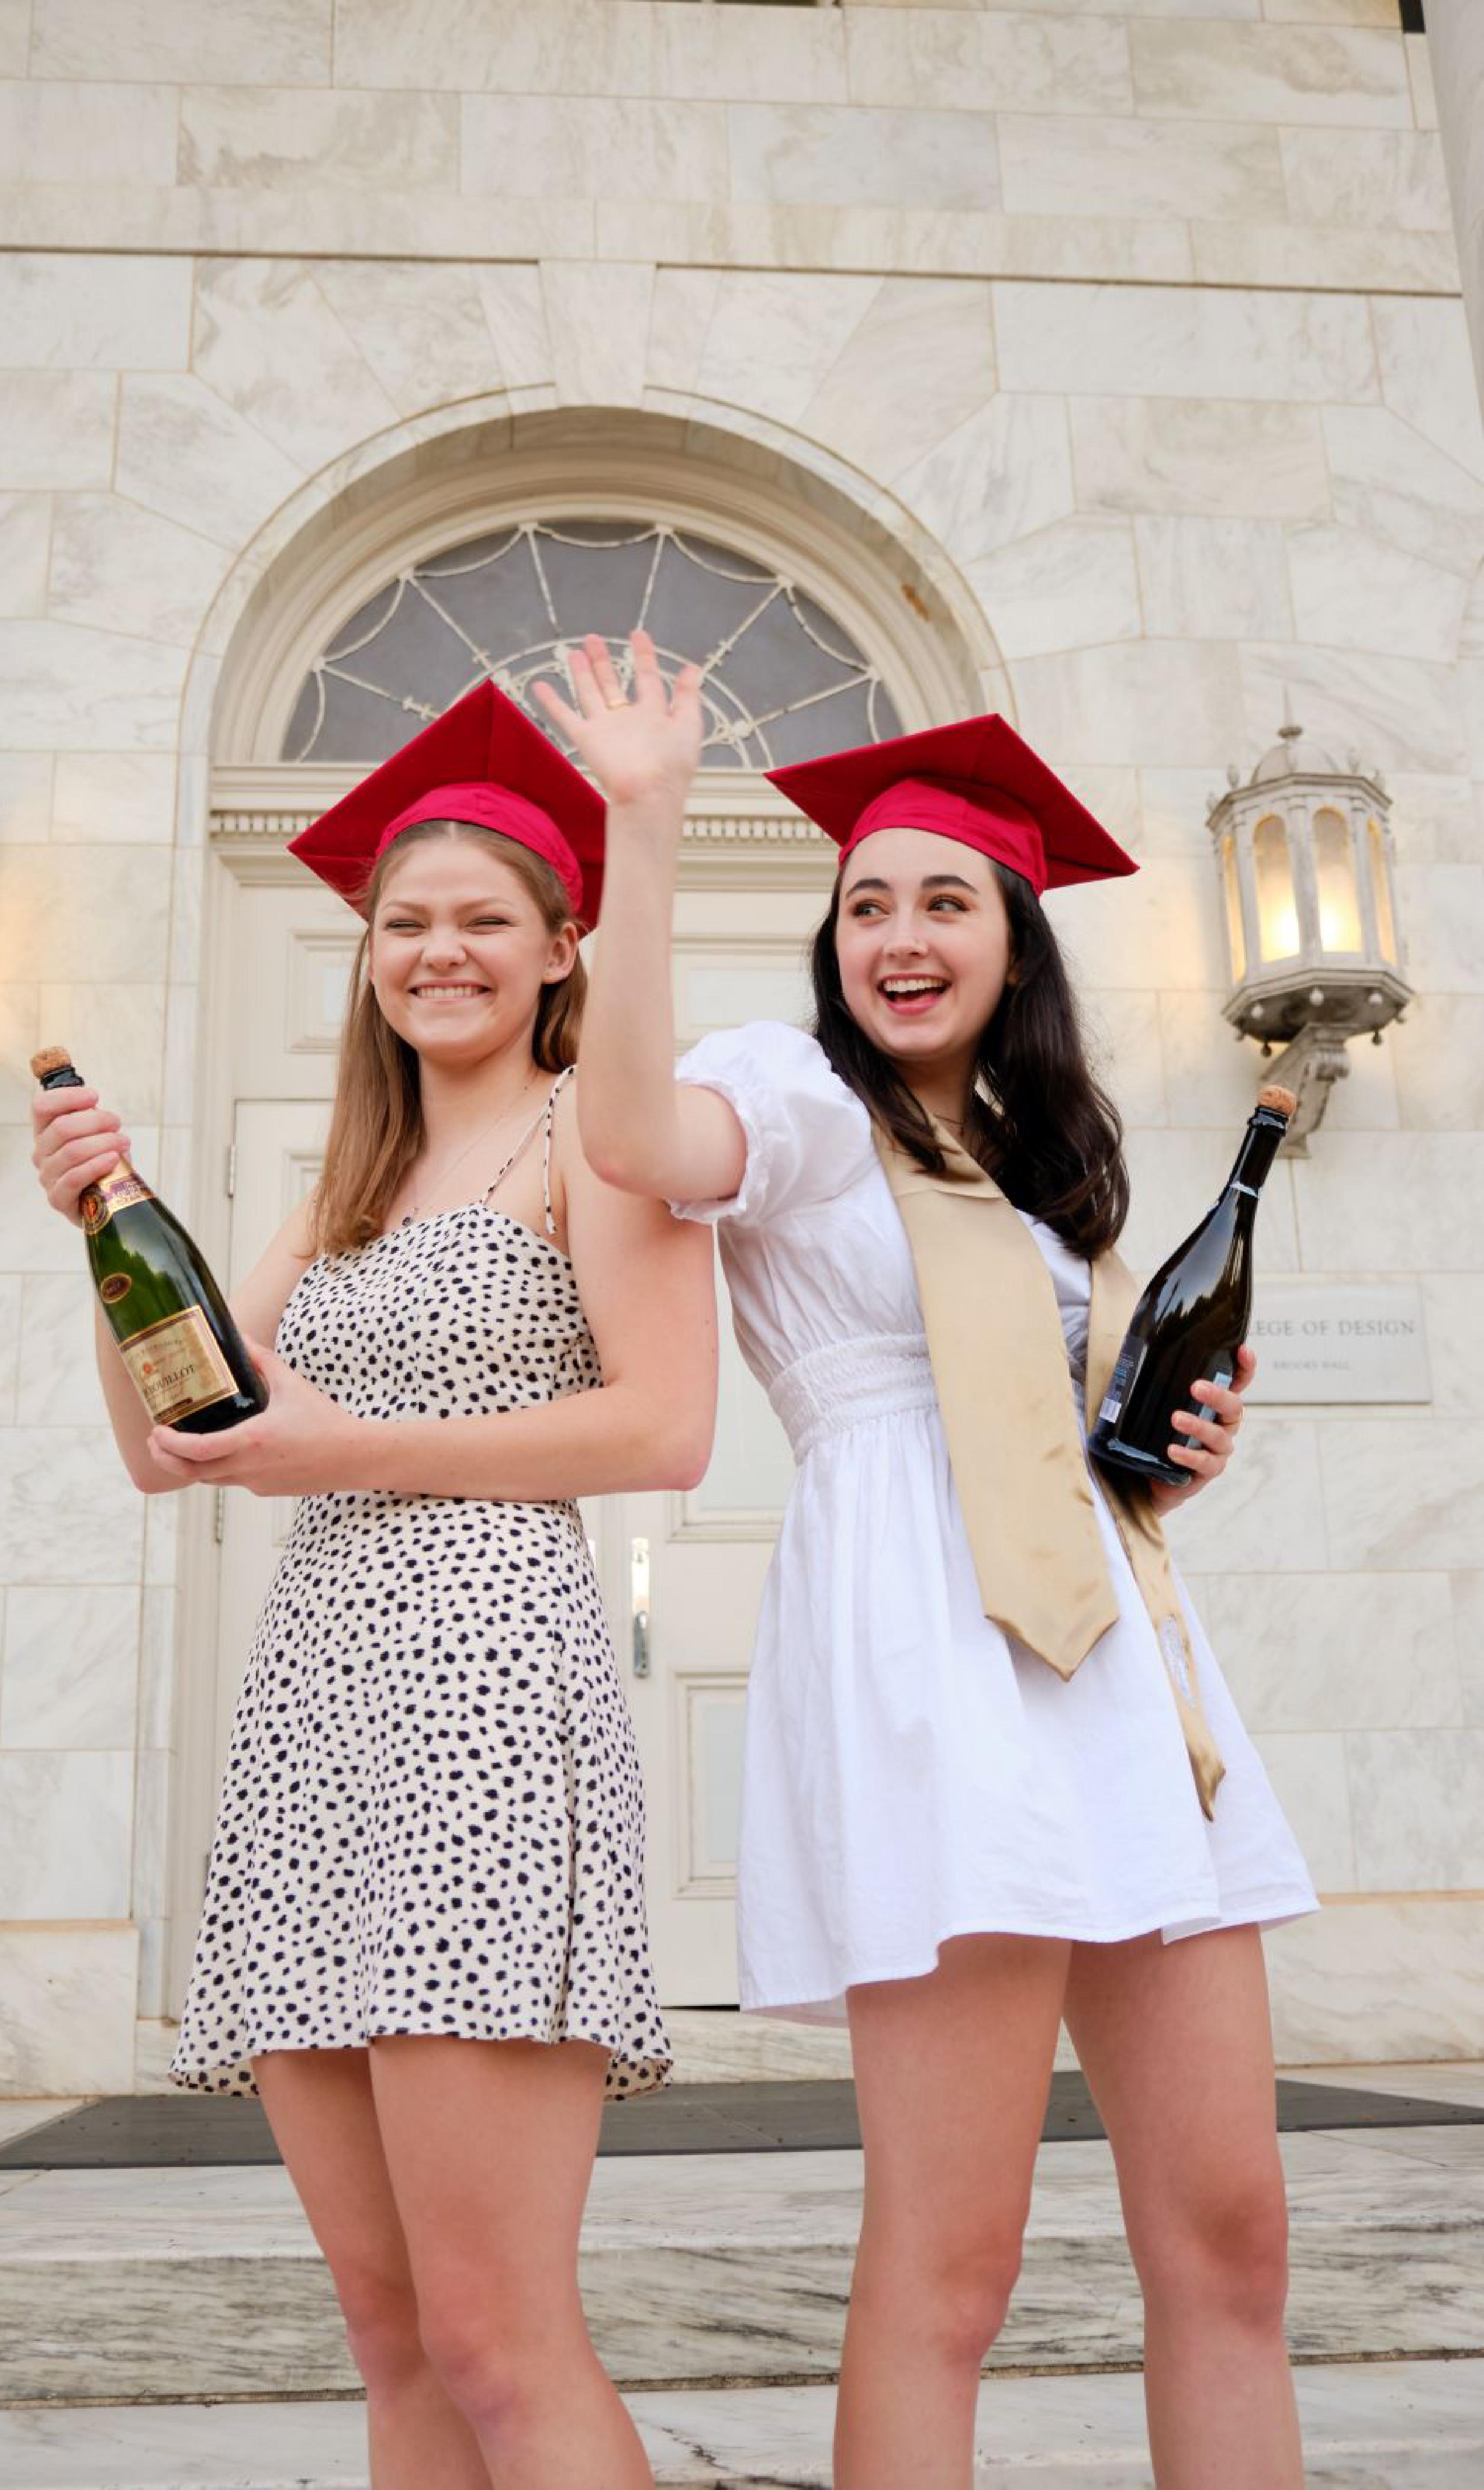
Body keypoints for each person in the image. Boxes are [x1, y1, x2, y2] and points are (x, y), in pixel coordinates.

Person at [537, 631, 1317, 2490]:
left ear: (1014, 941)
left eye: (944, 901)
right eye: (867, 899)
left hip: (1129, 1677)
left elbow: (1064, 1432)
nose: (899, 931)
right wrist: (643, 826)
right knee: (951, 2266)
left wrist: (1162, 1467)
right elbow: (634, 1132)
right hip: (932, 1673)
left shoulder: (1045, 1172)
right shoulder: (800, 1104)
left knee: (1231, 2239)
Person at [29, 680, 716, 2490]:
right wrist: (106, 1240)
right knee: (391, 2330)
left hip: (486, 1709)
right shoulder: (346, 1184)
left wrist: (352, 1451)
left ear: (565, 950)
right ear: (364, 960)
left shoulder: (603, 1140)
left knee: (500, 2334)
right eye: (404, 925)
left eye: (485, 920)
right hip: (315, 1725)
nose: (440, 953)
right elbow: (173, 1442)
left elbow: (664, 1430)